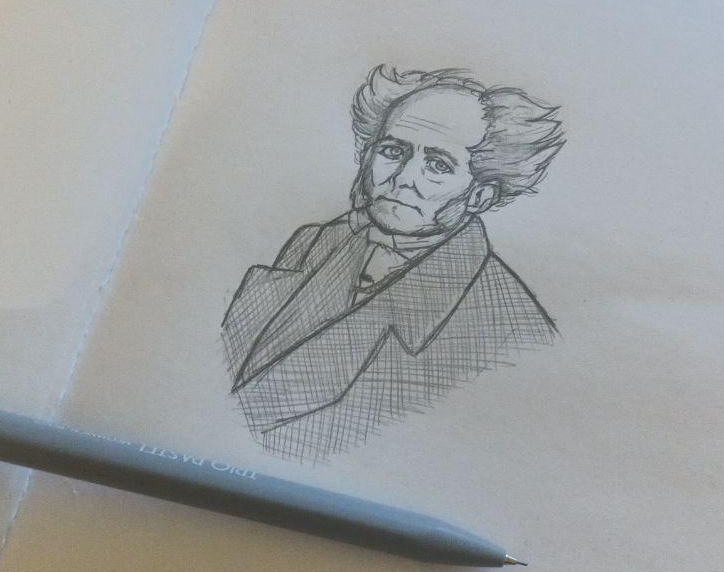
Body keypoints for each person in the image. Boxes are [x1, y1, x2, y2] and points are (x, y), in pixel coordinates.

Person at [223, 65, 565, 462]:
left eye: (438, 165)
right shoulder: (314, 243)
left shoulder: (510, 328)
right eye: (393, 151)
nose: (403, 177)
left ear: (479, 197)